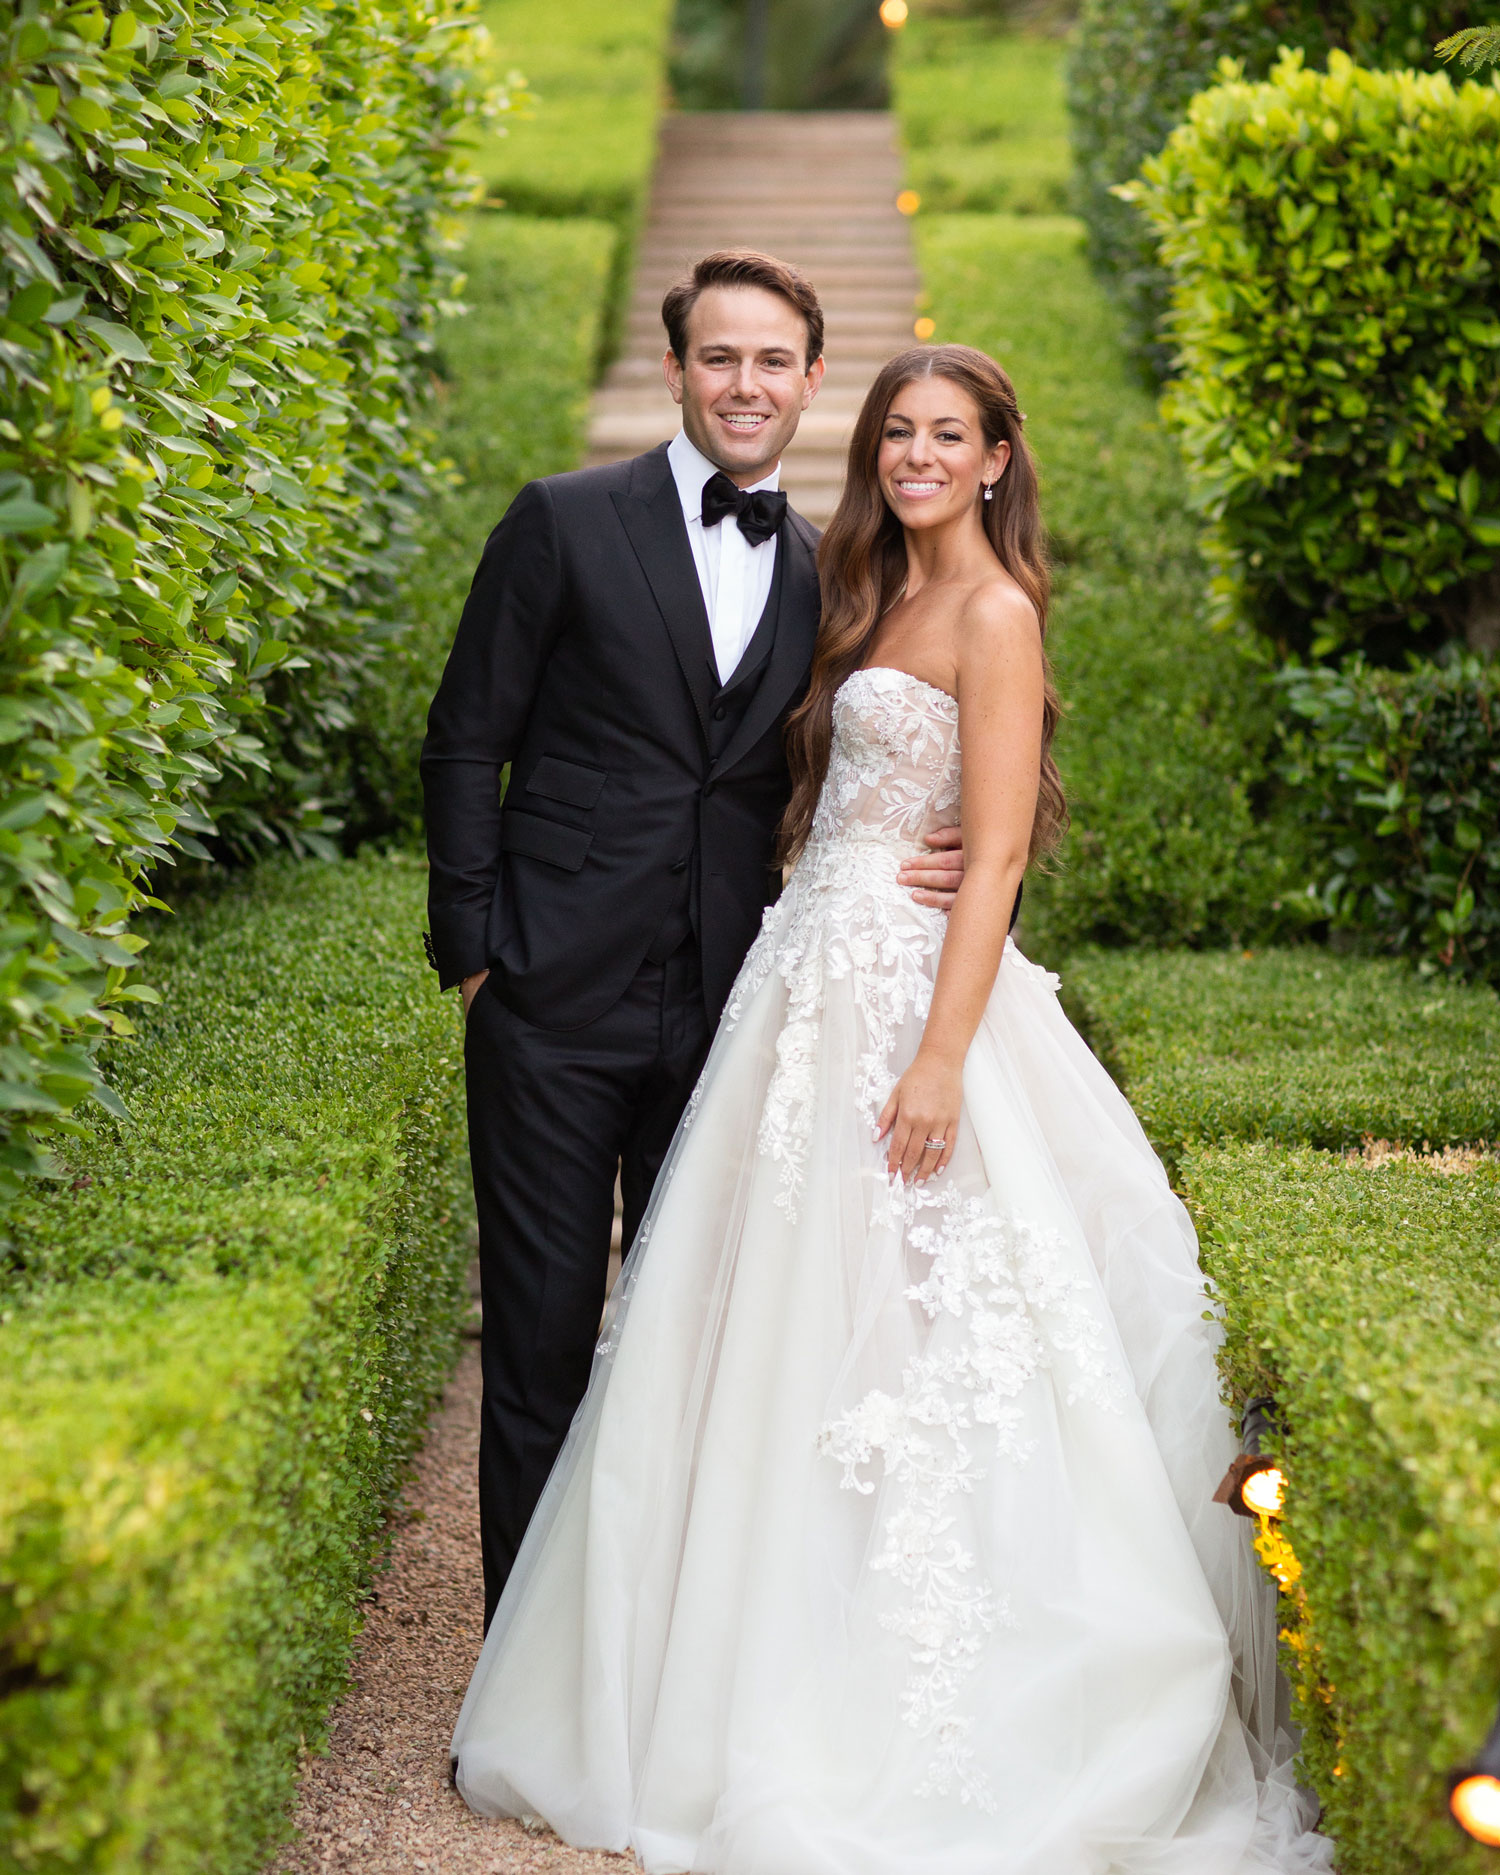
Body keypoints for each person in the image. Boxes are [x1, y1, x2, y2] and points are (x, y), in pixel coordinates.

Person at [448, 344, 1334, 1875]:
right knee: (775, 1331)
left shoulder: (994, 609)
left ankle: (917, 1685)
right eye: (899, 433)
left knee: (926, 1333)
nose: (919, 454)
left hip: (909, 1008)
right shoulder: (856, 587)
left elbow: (989, 856)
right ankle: (719, 1651)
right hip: (799, 984)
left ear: (1000, 457)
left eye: (950, 435)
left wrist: (939, 1056)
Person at [420, 251, 966, 1627]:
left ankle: (651, 1659)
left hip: (734, 1018)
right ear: (673, 372)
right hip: (549, 1002)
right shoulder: (562, 520)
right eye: (719, 357)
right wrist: (478, 952)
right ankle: (521, 1663)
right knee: (539, 1348)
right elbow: (463, 737)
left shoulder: (827, 575)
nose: (745, 383)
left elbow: (846, 758)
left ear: (810, 381)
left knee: (692, 1353)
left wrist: (922, 849)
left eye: (772, 360)